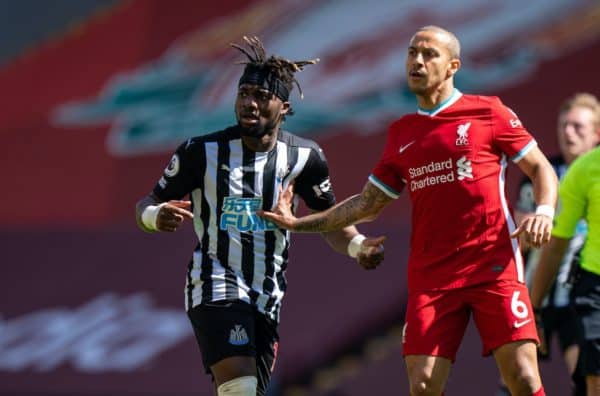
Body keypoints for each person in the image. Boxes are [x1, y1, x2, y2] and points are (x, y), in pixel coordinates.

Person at [259, 26, 558, 396]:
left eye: (428, 54)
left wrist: (544, 210)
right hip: (432, 277)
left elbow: (541, 168)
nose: (416, 60)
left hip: (493, 266)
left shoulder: (489, 112)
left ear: (452, 66)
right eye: (412, 53)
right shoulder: (403, 132)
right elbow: (368, 204)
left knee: (525, 380)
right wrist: (297, 223)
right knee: (422, 385)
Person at [134, 36, 385, 396]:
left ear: (283, 107)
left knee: (249, 390)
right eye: (243, 93)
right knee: (241, 388)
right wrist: (155, 215)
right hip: (213, 282)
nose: (249, 103)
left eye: (261, 96)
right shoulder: (200, 152)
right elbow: (145, 202)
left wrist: (359, 246)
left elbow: (329, 220)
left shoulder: (305, 158)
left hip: (267, 296)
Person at [507, 93, 600, 396]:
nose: (568, 133)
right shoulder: (542, 174)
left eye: (578, 127)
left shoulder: (592, 171)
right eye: (564, 126)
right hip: (540, 294)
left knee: (585, 375)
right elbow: (521, 238)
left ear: (596, 134)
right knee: (517, 377)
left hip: (581, 294)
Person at [530, 150, 600, 392]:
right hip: (594, 287)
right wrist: (534, 308)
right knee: (596, 379)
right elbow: (555, 247)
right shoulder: (584, 169)